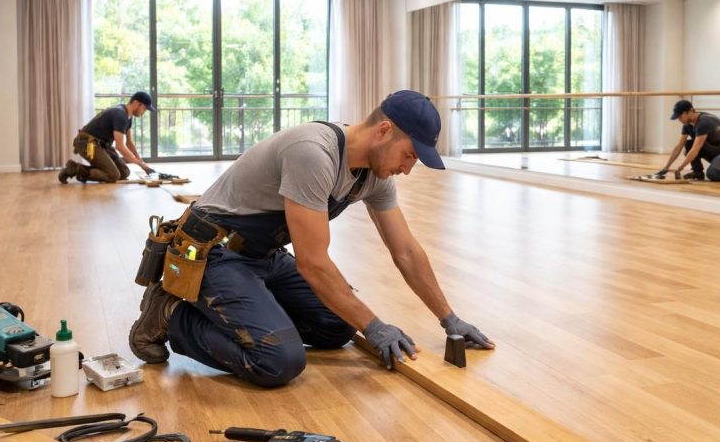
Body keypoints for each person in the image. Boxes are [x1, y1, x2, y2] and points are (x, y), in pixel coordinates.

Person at [128, 90, 493, 387]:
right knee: (278, 360)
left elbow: (407, 252)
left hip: (263, 255)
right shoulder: (313, 153)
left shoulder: (376, 176)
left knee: (338, 325)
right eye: (409, 155)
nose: (408, 168)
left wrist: (449, 319)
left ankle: (252, 313)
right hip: (213, 253)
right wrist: (376, 326)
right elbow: (313, 263)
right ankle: (170, 314)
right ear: (384, 131)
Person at [58, 91, 156, 184]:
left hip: (102, 145)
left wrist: (142, 163)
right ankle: (76, 169)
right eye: (144, 108)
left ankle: (86, 172)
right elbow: (120, 147)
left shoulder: (128, 117)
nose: (144, 112)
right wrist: (140, 164)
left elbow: (129, 143)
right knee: (113, 175)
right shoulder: (120, 115)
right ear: (136, 103)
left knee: (124, 172)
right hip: (87, 144)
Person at [656, 99, 720, 182]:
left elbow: (695, 150)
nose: (679, 119)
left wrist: (680, 168)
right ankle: (698, 172)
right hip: (716, 150)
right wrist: (666, 166)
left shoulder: (704, 122)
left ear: (689, 111)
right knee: (688, 144)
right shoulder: (687, 124)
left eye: (680, 116)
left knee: (713, 174)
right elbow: (679, 146)